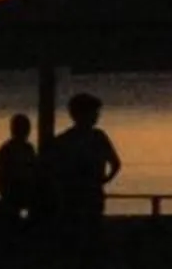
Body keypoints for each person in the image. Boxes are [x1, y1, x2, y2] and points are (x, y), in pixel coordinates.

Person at [41, 92, 122, 235]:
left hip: (73, 197)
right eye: (94, 112)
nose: (97, 116)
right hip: (86, 196)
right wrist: (103, 180)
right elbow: (115, 164)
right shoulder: (98, 137)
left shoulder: (63, 140)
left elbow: (51, 170)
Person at [0, 112, 41, 225]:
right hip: (12, 189)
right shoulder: (7, 150)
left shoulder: (28, 148)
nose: (25, 132)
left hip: (26, 187)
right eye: (22, 128)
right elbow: (2, 175)